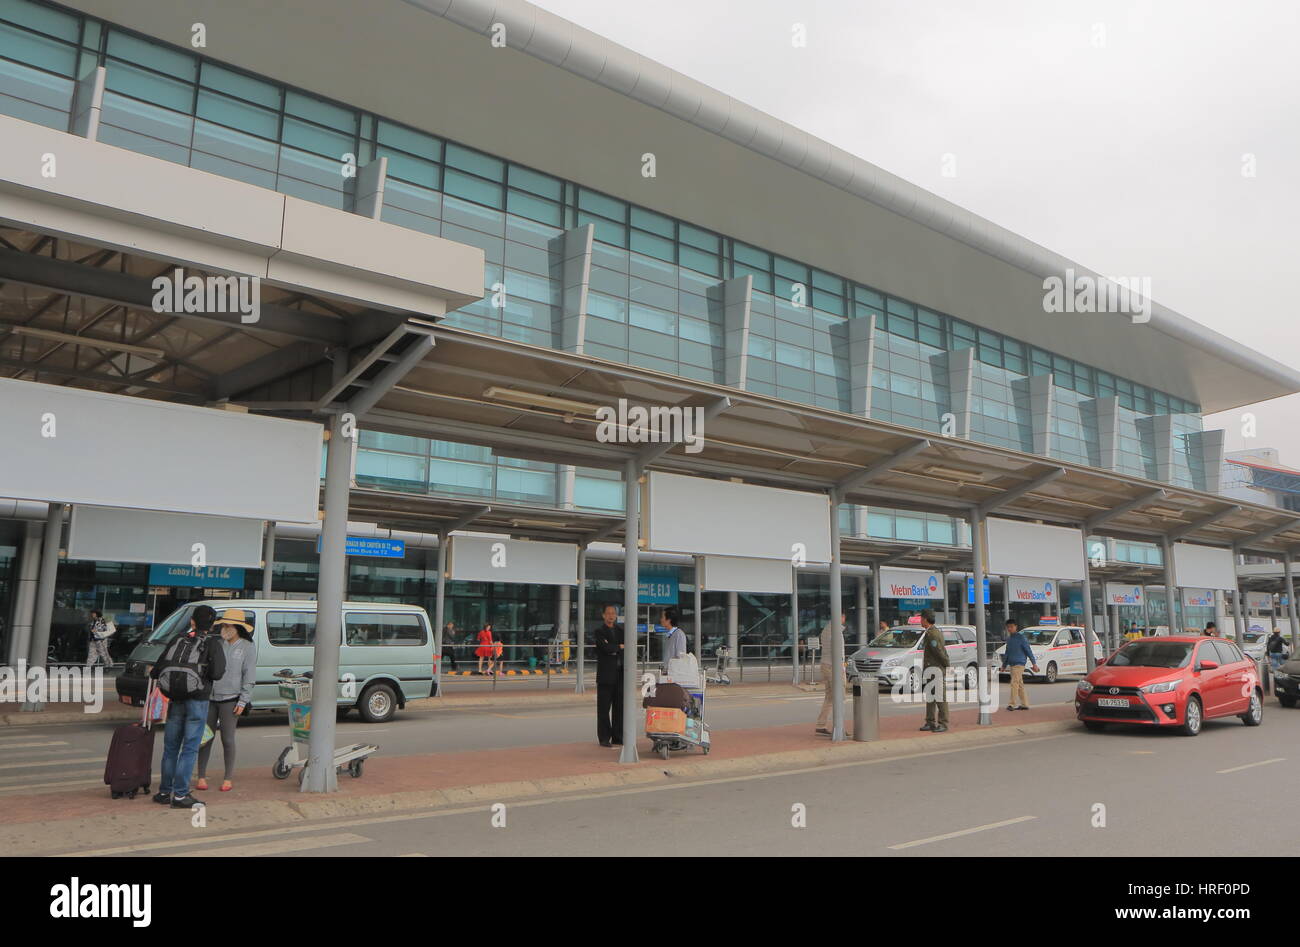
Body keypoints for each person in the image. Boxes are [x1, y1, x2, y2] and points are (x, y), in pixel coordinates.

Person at [151, 604, 225, 809]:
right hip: (198, 701)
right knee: (190, 749)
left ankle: (165, 792)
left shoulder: (177, 639)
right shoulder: (213, 643)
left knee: (171, 748)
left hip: (175, 700)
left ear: (192, 621)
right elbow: (218, 673)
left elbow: (157, 670)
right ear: (212, 624)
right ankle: (181, 795)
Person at [196, 609, 257, 793]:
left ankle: (227, 778)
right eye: (223, 625)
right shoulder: (215, 644)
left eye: (228, 625)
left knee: (227, 739)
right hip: (210, 698)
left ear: (238, 627)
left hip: (231, 700)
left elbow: (249, 676)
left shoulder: (247, 647)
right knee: (205, 738)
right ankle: (200, 776)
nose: (224, 628)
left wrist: (243, 701)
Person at [593, 604, 624, 747]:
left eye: (613, 613)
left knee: (619, 708)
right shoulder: (599, 631)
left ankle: (618, 736)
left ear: (616, 615)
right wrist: (618, 647)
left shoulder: (620, 631)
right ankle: (604, 737)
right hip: (605, 676)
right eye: (608, 613)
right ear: (603, 615)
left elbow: (623, 648)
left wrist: (614, 648)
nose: (611, 615)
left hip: (619, 675)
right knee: (604, 709)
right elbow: (605, 648)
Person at [816, 613, 848, 735]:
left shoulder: (826, 629)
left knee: (829, 697)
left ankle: (821, 724)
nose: (844, 619)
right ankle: (839, 728)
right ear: (839, 617)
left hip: (825, 665)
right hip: (834, 667)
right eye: (843, 617)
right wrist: (842, 668)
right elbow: (838, 652)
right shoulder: (835, 631)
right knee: (840, 696)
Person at [918, 610, 949, 733]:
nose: (920, 621)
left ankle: (943, 723)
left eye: (921, 618)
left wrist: (946, 664)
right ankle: (930, 721)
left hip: (936, 669)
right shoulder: (932, 632)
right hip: (931, 669)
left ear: (925, 619)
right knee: (931, 696)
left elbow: (939, 652)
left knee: (940, 697)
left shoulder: (932, 634)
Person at [999, 618, 1039, 711]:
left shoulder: (1021, 638)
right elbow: (1007, 653)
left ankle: (1012, 704)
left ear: (1016, 627)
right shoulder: (1009, 639)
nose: (1009, 629)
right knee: (1019, 684)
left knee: (1014, 683)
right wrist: (1004, 666)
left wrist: (1034, 664)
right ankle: (1025, 704)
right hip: (1012, 664)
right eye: (1008, 627)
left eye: (1011, 627)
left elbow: (1028, 651)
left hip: (1019, 664)